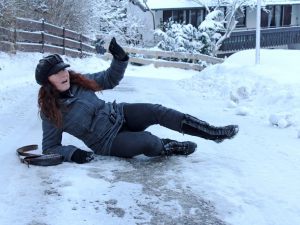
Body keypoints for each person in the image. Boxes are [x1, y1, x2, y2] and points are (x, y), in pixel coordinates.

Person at [35, 37, 239, 164]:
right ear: (47, 82)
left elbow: (109, 79)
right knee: (147, 141)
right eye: (56, 73)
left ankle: (212, 132)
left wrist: (120, 58)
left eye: (64, 69)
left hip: (119, 114)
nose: (64, 75)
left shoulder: (79, 82)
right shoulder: (50, 111)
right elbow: (50, 147)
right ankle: (169, 147)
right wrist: (73, 154)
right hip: (107, 141)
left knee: (156, 110)